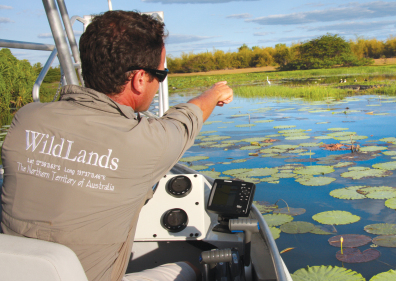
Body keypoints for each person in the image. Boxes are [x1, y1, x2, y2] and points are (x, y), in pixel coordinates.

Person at [1, 10, 232, 281]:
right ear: (139, 79)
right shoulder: (146, 144)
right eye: (162, 74)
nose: (160, 83)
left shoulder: (25, 119)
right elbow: (185, 119)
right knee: (191, 267)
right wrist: (214, 93)